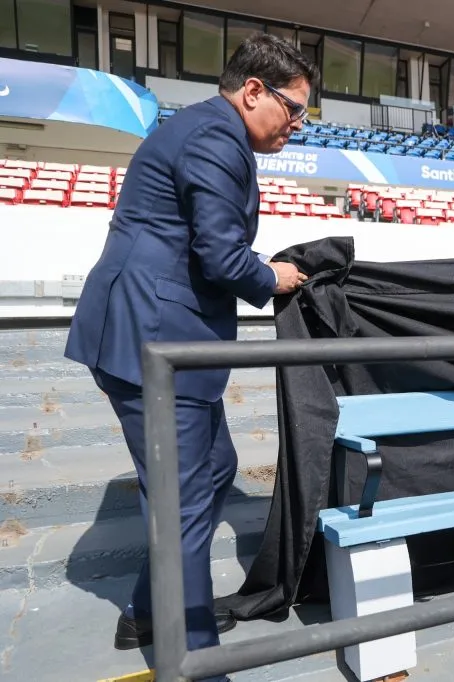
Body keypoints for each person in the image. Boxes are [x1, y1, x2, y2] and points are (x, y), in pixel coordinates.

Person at [64, 33, 316, 674]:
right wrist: (274, 278)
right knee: (181, 498)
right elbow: (221, 254)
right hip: (149, 340)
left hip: (165, 337)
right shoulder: (215, 137)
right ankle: (195, 655)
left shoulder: (210, 132)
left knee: (211, 469)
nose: (298, 125)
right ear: (254, 91)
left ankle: (150, 608)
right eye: (294, 110)